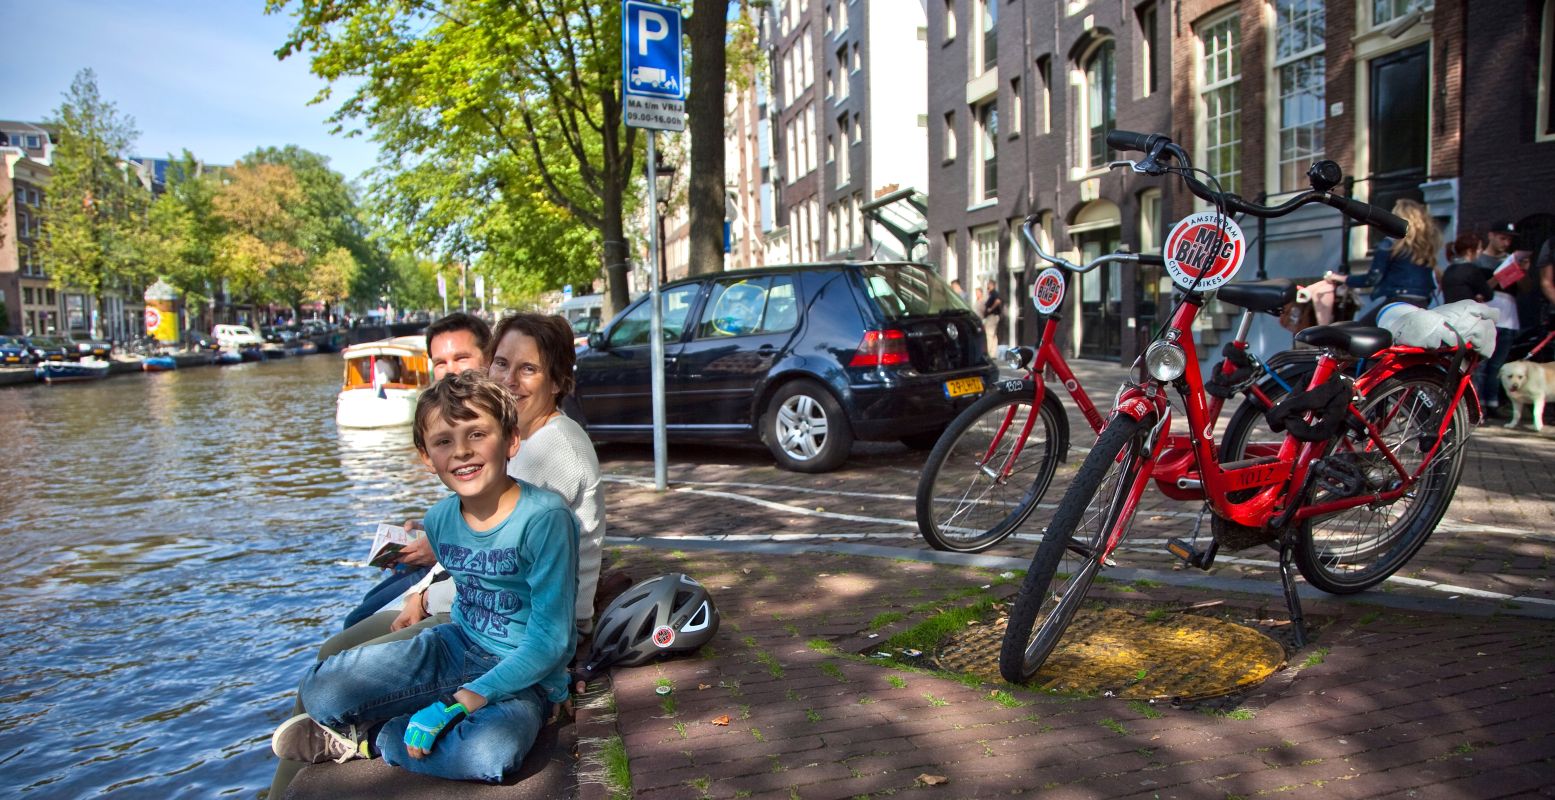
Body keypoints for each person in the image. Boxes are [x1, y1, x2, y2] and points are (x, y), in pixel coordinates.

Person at [271, 371, 578, 782]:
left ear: (511, 441)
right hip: (455, 647)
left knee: (491, 754)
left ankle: (378, 738)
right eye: (444, 441)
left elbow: (549, 640)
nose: (462, 452)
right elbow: (466, 579)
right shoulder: (438, 520)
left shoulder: (545, 519)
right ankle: (406, 719)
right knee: (321, 689)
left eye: (477, 435)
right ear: (425, 455)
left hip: (525, 673)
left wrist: (465, 701)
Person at [340, 312, 494, 629]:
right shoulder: (460, 423)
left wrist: (436, 549)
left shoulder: (500, 432)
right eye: (440, 362)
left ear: (488, 358)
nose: (451, 371)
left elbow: (506, 536)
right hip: (456, 561)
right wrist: (430, 532)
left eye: (461, 358)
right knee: (362, 610)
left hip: (475, 579)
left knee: (357, 624)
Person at [1325, 198, 1442, 322]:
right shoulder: (1426, 247)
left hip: (1397, 303)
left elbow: (1372, 279)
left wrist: (1340, 278)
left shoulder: (1389, 244)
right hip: (1422, 303)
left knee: (1356, 332)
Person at [1440, 232, 1492, 304]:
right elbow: (1488, 294)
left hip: (1448, 311)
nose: (1481, 251)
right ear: (1469, 251)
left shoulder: (1449, 269)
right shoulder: (1471, 270)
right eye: (1479, 248)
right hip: (1465, 312)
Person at [981, 279, 1003, 357]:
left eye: (988, 285)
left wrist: (991, 309)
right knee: (993, 335)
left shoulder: (994, 293)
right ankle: (993, 353)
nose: (987, 286)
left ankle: (989, 353)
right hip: (992, 316)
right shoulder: (991, 294)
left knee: (989, 334)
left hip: (992, 317)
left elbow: (998, 301)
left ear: (992, 285)